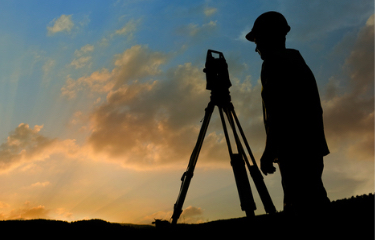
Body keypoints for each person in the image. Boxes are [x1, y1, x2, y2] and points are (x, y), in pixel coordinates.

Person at [245, 11, 330, 215]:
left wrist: (268, 152)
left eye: (258, 41)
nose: (256, 48)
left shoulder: (273, 65)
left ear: (269, 37)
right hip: (311, 148)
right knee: (315, 199)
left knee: (301, 205)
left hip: (295, 151)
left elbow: (279, 113)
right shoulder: (297, 62)